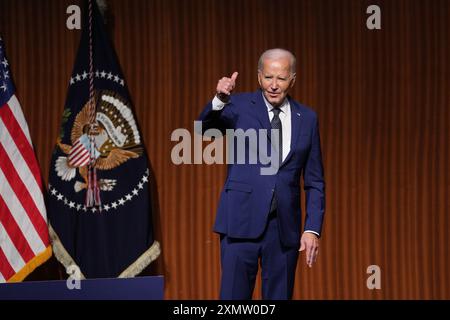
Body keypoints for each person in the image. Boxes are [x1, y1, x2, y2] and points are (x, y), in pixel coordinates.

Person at [198, 48, 325, 299]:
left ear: (293, 80)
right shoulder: (238, 105)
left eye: (281, 78)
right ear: (259, 77)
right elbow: (206, 130)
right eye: (268, 77)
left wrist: (312, 229)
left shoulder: (308, 118)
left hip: (284, 230)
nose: (274, 85)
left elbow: (315, 181)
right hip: (240, 223)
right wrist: (219, 99)